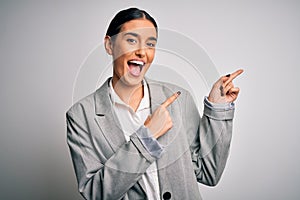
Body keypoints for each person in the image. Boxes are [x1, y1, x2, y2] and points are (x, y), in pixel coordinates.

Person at [66, 7, 243, 200]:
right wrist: (146, 138)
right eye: (132, 40)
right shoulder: (80, 116)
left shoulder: (179, 99)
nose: (142, 52)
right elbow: (95, 193)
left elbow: (208, 173)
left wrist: (217, 109)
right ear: (110, 45)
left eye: (150, 44)